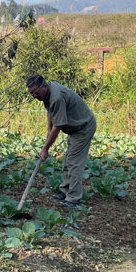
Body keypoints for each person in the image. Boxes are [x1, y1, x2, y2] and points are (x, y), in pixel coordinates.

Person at [26, 75, 96, 207]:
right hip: (74, 128)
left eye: (36, 92)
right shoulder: (47, 94)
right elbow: (50, 112)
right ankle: (65, 191)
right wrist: (48, 129)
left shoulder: (57, 97)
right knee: (68, 159)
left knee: (74, 162)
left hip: (83, 127)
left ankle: (74, 198)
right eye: (31, 93)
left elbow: (57, 127)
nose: (34, 95)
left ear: (44, 86)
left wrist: (45, 148)